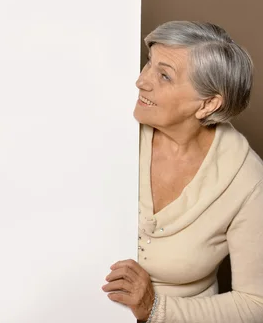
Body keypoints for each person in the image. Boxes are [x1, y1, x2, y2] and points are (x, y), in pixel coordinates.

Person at [101, 21, 263, 322]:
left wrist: (154, 308)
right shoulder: (113, 127)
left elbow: (255, 303)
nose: (141, 81)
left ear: (208, 104)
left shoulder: (247, 181)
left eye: (164, 75)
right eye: (148, 64)